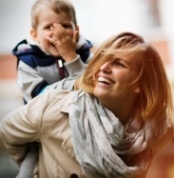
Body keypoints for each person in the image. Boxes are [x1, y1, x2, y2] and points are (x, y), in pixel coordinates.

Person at [1, 32, 173, 178]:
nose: (103, 67)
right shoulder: (54, 107)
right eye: (103, 59)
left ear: (140, 84)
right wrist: (35, 168)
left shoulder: (157, 128)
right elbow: (7, 132)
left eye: (119, 63)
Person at [12, 0, 93, 104]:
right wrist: (74, 86)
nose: (58, 32)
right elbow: (39, 98)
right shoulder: (28, 62)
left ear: (76, 30)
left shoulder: (86, 55)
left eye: (65, 26)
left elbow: (90, 87)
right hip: (42, 118)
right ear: (35, 35)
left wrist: (71, 57)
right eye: (48, 27)